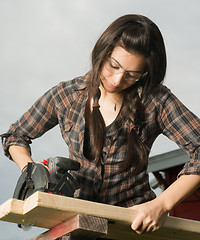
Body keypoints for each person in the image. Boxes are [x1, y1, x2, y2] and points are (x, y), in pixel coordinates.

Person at [1, 14, 200, 234]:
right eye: (113, 66)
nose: (117, 80)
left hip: (133, 227)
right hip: (75, 225)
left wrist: (162, 204)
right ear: (103, 52)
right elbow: (15, 136)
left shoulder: (157, 101)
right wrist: (32, 170)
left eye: (132, 75)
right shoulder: (67, 95)